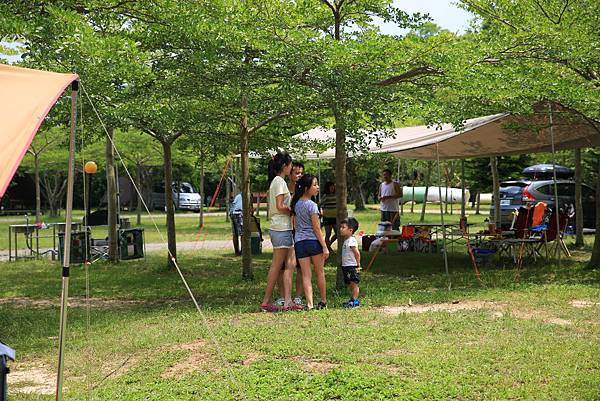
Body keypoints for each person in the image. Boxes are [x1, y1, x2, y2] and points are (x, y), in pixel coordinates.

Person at [261, 152, 302, 312]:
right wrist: (293, 210)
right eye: (290, 165)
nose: (291, 168)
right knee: (277, 265)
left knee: (290, 264)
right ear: (285, 166)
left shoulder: (279, 182)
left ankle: (287, 300)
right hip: (281, 227)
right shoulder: (279, 182)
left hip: (283, 227)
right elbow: (279, 206)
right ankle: (267, 301)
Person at [292, 174, 329, 310]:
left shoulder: (296, 204)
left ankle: (309, 304)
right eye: (314, 184)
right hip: (313, 242)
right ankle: (323, 301)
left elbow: (295, 225)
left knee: (306, 275)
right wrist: (325, 246)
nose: (317, 187)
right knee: (319, 272)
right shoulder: (312, 205)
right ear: (307, 188)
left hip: (300, 243)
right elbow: (316, 228)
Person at [276, 161, 305, 306]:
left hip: (300, 231)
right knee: (282, 265)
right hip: (285, 229)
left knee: (300, 265)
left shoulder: (305, 191)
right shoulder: (284, 188)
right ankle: (282, 296)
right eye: (296, 173)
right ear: (290, 173)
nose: (299, 176)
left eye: (301, 173)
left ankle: (298, 296)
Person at [339, 218, 361, 308]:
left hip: (352, 266)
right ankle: (352, 299)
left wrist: (358, 264)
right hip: (346, 266)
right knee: (350, 283)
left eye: (343, 227)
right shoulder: (346, 240)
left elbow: (357, 253)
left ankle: (355, 301)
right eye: (340, 227)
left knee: (354, 283)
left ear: (350, 230)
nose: (341, 229)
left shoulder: (352, 240)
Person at [319, 181, 337, 253]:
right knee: (328, 234)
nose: (332, 188)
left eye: (333, 186)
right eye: (330, 187)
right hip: (327, 217)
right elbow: (320, 204)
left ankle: (329, 244)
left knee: (338, 233)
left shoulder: (337, 195)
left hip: (335, 218)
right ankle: (328, 248)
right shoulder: (325, 196)